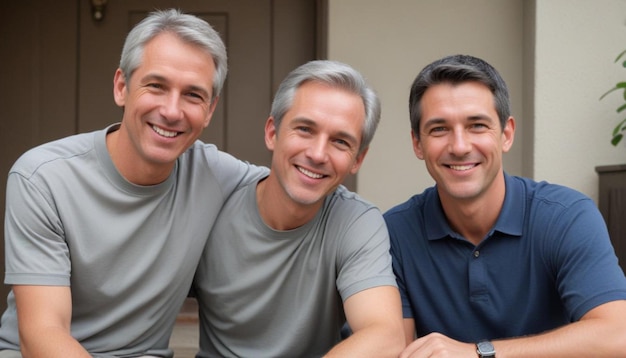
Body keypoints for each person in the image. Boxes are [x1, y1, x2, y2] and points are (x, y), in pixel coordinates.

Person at [0, 9, 265, 358]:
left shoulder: (215, 175)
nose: (172, 111)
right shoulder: (43, 177)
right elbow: (41, 336)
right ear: (121, 87)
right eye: (156, 86)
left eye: (193, 95)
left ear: (210, 109)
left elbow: (295, 189)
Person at [384, 53, 626, 357]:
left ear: (506, 134)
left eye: (477, 125)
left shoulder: (566, 217)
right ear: (417, 143)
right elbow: (391, 349)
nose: (459, 146)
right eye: (439, 129)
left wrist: (479, 353)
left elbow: (619, 336)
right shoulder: (393, 234)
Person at [193, 60, 405, 357]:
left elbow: (385, 336)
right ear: (272, 132)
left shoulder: (356, 222)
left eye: (340, 141)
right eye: (305, 129)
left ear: (358, 159)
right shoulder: (215, 198)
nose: (318, 154)